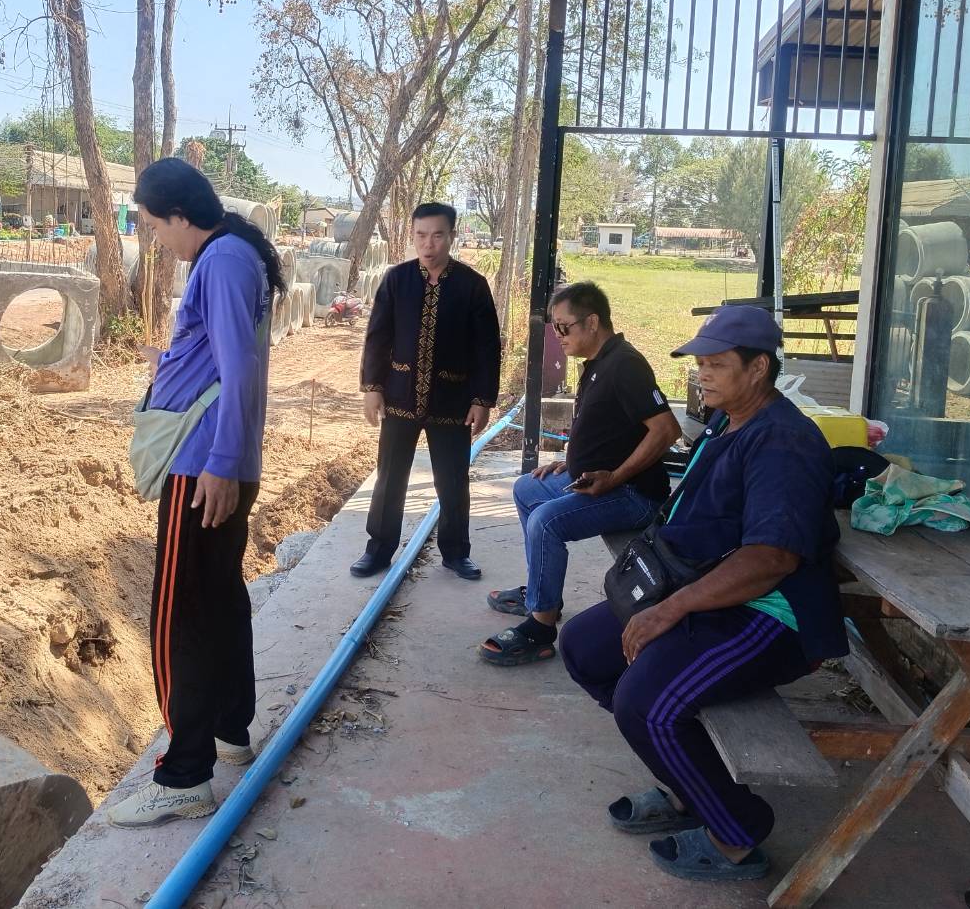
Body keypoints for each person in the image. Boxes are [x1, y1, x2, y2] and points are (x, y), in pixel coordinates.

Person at [558, 306, 847, 882]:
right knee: (583, 647)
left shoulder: (782, 442)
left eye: (716, 365)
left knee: (647, 703)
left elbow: (770, 559)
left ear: (758, 368)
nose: (702, 375)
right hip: (703, 585)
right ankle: (690, 785)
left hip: (772, 611)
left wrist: (670, 609)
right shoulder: (726, 419)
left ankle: (737, 830)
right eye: (699, 364)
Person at [108, 158, 287, 828]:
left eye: (156, 227)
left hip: (202, 466)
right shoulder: (231, 255)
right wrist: (171, 364)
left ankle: (183, 775)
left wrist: (222, 463)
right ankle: (227, 730)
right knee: (218, 598)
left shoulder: (222, 260)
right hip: (216, 459)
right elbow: (220, 358)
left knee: (178, 616)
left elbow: (241, 368)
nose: (157, 240)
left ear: (181, 216)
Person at [479, 282, 680, 665]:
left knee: (546, 521)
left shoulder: (626, 365)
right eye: (554, 327)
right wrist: (572, 463)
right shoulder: (598, 363)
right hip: (599, 479)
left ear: (592, 322)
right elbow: (609, 430)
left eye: (563, 327)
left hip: (635, 494)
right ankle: (542, 594)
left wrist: (615, 477)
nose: (557, 335)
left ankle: (540, 630)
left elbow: (666, 431)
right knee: (527, 489)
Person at [353, 202, 500, 580]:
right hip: (400, 395)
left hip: (452, 399)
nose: (428, 244)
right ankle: (378, 549)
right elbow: (378, 337)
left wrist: (482, 399)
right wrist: (372, 387)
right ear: (413, 236)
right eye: (421, 235)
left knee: (452, 480)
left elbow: (486, 347)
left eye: (437, 235)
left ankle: (456, 552)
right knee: (390, 477)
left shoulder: (472, 285)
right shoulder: (397, 280)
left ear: (452, 236)